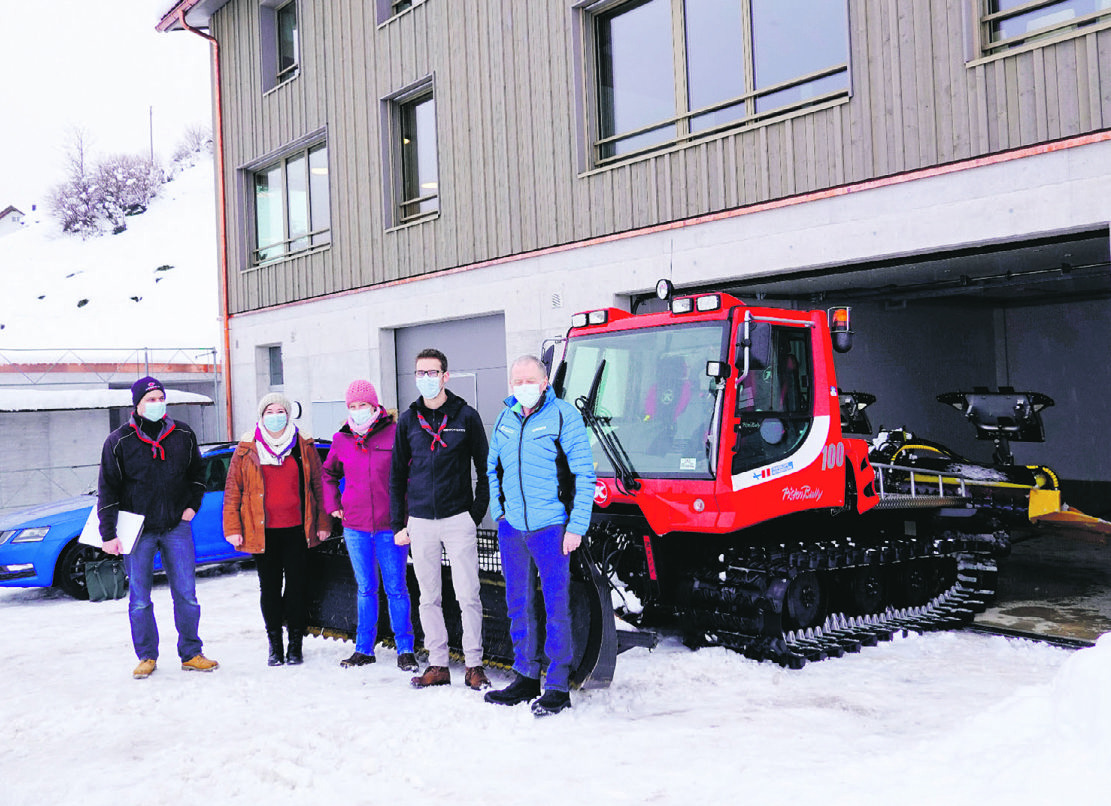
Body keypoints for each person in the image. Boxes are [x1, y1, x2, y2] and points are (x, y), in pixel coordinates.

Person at [484, 355, 596, 717]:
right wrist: (500, 515)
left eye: (530, 380)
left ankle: (558, 683)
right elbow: (492, 470)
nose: (523, 387)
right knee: (518, 605)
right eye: (517, 381)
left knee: (555, 606)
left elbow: (584, 475)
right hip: (513, 528)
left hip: (552, 528)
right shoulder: (504, 419)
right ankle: (526, 674)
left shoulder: (564, 416)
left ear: (545, 381)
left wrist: (576, 525)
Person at [97, 376, 219, 679]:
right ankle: (147, 656)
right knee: (139, 598)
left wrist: (192, 505)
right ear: (137, 404)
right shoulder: (118, 441)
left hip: (176, 526)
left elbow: (198, 473)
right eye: (150, 399)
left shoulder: (183, 434)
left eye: (160, 397)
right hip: (137, 530)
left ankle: (191, 652)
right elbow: (108, 489)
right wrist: (109, 534)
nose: (157, 403)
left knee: (187, 594)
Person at [390, 348, 491, 690]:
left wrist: (475, 513)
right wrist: (398, 523)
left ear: (445, 376)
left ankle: (474, 664)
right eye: (421, 373)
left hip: (457, 518)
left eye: (433, 373)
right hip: (420, 521)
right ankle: (438, 664)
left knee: (468, 595)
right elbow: (396, 475)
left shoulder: (466, 417)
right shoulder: (408, 420)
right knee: (428, 596)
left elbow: (486, 468)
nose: (426, 379)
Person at [223, 392, 332, 666]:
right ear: (261, 416)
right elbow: (233, 490)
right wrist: (233, 527)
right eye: (269, 411)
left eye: (279, 411)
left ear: (288, 414)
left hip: (297, 529)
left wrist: (322, 523)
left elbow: (318, 486)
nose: (275, 416)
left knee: (297, 589)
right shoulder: (247, 447)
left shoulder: (303, 444)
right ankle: (275, 645)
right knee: (269, 589)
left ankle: (295, 643)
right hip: (263, 532)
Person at [322, 380, 417, 672]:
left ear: (374, 405)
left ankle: (406, 649)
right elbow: (327, 474)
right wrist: (333, 504)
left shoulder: (395, 433)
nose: (357, 410)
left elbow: (410, 476)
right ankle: (364, 648)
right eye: (352, 406)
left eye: (362, 405)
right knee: (365, 588)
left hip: (391, 527)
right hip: (355, 526)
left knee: (396, 588)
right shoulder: (342, 440)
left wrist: (409, 517)